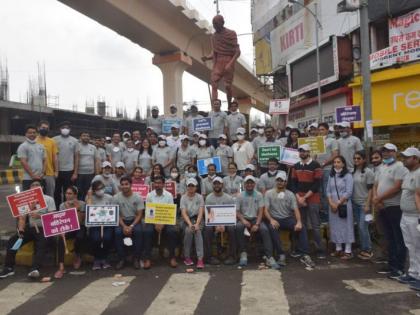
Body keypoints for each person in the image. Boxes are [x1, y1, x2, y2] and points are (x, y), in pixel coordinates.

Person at [0, 181, 55, 279]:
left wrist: (39, 215)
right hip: (30, 227)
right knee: (13, 240)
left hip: (44, 228)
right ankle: (9, 268)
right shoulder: (26, 200)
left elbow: (52, 216)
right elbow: (22, 218)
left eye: (37, 185)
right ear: (30, 189)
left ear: (42, 187)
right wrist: (21, 230)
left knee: (41, 244)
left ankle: (35, 269)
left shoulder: (49, 199)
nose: (35, 187)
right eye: (32, 185)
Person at [264, 171, 314, 268]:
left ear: (285, 182)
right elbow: (266, 210)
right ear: (275, 181)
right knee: (272, 228)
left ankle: (305, 254)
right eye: (278, 180)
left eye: (282, 181)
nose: (280, 182)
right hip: (275, 218)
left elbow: (295, 210)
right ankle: (281, 254)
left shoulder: (290, 194)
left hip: (287, 219)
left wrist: (299, 222)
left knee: (302, 227)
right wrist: (271, 220)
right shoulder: (269, 193)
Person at [373, 143, 408, 278]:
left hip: (395, 206)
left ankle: (399, 267)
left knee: (398, 238)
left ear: (395, 152)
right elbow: (376, 185)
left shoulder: (399, 167)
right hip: (382, 206)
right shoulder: (382, 167)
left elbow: (397, 187)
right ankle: (391, 264)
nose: (386, 154)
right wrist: (377, 199)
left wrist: (379, 198)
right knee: (389, 238)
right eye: (384, 152)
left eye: (389, 151)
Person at [291, 144, 325, 259]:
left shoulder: (316, 165)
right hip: (299, 198)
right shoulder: (295, 166)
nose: (302, 153)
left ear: (308, 152)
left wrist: (304, 197)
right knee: (302, 224)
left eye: (304, 151)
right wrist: (299, 197)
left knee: (315, 225)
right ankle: (303, 249)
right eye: (300, 151)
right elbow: (293, 183)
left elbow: (317, 184)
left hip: (312, 198)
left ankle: (320, 249)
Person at [236, 175, 278, 268]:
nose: (249, 184)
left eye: (251, 183)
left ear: (254, 184)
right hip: (244, 218)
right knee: (238, 227)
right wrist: (243, 220)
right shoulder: (240, 195)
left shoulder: (259, 195)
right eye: (247, 183)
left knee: (264, 229)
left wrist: (257, 224)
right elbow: (237, 211)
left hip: (256, 218)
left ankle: (269, 256)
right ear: (244, 184)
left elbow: (261, 211)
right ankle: (243, 253)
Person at [201, 14, 240, 104]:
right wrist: (207, 57)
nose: (215, 26)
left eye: (216, 24)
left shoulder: (231, 33)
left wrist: (230, 64)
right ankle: (215, 106)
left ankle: (229, 105)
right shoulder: (214, 37)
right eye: (214, 24)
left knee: (227, 86)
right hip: (218, 63)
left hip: (228, 61)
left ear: (222, 23)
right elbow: (214, 52)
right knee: (214, 83)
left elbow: (237, 52)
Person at [398, 147, 420, 290]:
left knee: (418, 247)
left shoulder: (419, 173)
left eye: (407, 157)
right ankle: (413, 273)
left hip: (415, 216)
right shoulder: (408, 173)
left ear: (416, 159)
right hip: (405, 215)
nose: (404, 159)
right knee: (410, 246)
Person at [145, 176, 178, 268]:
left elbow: (170, 212)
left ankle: (172, 257)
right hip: (153, 221)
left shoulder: (169, 195)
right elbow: (149, 212)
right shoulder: (149, 195)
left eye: (159, 183)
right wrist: (156, 223)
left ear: (163, 184)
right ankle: (147, 258)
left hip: (166, 220)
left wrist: (162, 223)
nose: (157, 185)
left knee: (171, 231)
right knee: (148, 232)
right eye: (156, 183)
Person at [113, 176, 144, 270]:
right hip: (121, 221)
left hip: (134, 221)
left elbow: (139, 215)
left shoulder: (138, 197)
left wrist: (131, 226)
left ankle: (136, 258)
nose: (124, 186)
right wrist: (124, 226)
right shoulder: (116, 197)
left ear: (131, 185)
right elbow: (116, 214)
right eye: (122, 184)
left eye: (126, 184)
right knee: (117, 233)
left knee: (138, 232)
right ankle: (121, 259)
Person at [55, 186, 87, 279]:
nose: (67, 196)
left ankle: (77, 256)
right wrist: (61, 230)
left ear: (75, 195)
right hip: (67, 227)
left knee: (80, 237)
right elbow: (60, 220)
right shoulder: (62, 205)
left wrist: (76, 209)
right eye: (66, 193)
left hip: (79, 226)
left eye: (70, 194)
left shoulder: (82, 204)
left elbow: (80, 221)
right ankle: (61, 266)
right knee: (61, 238)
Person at [204, 177, 237, 265]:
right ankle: (209, 257)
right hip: (213, 222)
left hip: (227, 222)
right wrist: (215, 225)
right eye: (215, 183)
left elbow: (231, 214)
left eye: (219, 183)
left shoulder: (229, 198)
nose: (217, 185)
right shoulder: (208, 198)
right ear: (213, 185)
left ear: (222, 185)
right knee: (208, 229)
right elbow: (209, 215)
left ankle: (232, 256)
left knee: (232, 228)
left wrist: (224, 224)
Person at [327, 156, 355, 260]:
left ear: (343, 164)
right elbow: (328, 191)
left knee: (346, 226)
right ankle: (338, 248)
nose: (336, 164)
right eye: (334, 162)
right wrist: (331, 203)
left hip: (344, 204)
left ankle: (348, 250)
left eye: (338, 162)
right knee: (335, 226)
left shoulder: (348, 176)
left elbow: (349, 192)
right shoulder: (331, 175)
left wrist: (337, 204)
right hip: (332, 204)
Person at [86, 180, 114, 270]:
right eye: (97, 189)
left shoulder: (109, 197)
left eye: (102, 188)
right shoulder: (90, 198)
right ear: (93, 190)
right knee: (96, 239)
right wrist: (89, 196)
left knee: (107, 238)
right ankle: (97, 259)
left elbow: (113, 211)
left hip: (107, 224)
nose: (100, 190)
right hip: (95, 225)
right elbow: (89, 210)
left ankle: (105, 258)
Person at [352, 151, 374, 259]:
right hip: (354, 204)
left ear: (364, 159)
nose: (356, 160)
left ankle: (368, 249)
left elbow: (371, 190)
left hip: (364, 204)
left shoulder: (368, 172)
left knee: (363, 227)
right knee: (359, 228)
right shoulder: (353, 171)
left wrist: (367, 205)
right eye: (355, 158)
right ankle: (363, 247)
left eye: (359, 158)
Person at [180, 178, 205, 269]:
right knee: (188, 231)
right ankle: (187, 257)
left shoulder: (200, 197)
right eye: (189, 186)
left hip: (198, 219)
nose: (190, 187)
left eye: (192, 186)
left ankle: (200, 259)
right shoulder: (183, 197)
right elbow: (183, 213)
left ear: (196, 187)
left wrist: (197, 224)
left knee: (197, 231)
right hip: (186, 220)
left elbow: (201, 212)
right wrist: (190, 224)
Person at [317, 122, 339, 219]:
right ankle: (324, 213)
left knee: (327, 192)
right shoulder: (316, 140)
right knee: (320, 191)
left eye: (322, 129)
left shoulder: (332, 140)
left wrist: (324, 163)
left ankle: (329, 213)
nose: (320, 131)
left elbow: (335, 155)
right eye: (319, 129)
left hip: (327, 169)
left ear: (327, 130)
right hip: (317, 170)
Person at [17, 125, 46, 191]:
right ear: (26, 134)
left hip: (40, 178)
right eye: (30, 133)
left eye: (34, 132)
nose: (32, 134)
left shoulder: (41, 146)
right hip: (28, 179)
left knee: (41, 199)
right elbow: (23, 162)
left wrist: (43, 173)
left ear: (37, 133)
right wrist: (32, 175)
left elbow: (44, 160)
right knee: (29, 200)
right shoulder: (23, 146)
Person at [36, 120, 58, 197]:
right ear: (38, 128)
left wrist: (56, 171)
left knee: (50, 195)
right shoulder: (34, 141)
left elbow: (55, 158)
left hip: (50, 173)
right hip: (37, 173)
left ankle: (50, 209)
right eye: (43, 127)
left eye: (46, 128)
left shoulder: (52, 142)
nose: (44, 129)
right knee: (37, 195)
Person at [76, 131, 100, 201]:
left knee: (88, 191)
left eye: (87, 136)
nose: (86, 137)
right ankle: (80, 207)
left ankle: (88, 206)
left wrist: (97, 174)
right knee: (79, 191)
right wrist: (75, 173)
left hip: (90, 174)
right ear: (80, 137)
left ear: (89, 138)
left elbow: (96, 161)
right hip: (79, 174)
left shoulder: (93, 147)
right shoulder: (77, 146)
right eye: (84, 135)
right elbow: (75, 160)